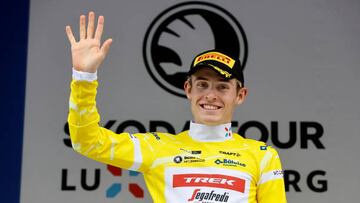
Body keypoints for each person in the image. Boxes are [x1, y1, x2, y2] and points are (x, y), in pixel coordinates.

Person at [66, 11, 287, 203]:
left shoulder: (262, 156)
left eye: (222, 87)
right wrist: (84, 77)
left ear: (240, 95)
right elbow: (87, 142)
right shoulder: (157, 148)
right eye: (202, 85)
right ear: (188, 89)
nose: (210, 95)